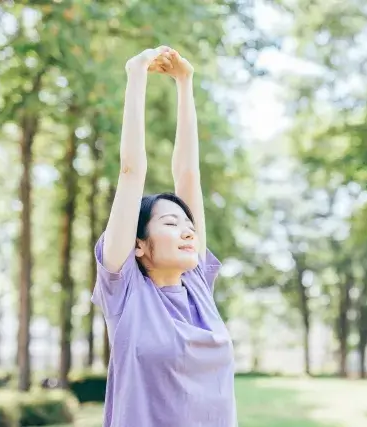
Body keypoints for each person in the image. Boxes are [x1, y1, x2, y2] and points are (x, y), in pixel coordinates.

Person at [91, 46, 237, 427]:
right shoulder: (125, 294)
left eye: (188, 224)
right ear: (138, 244)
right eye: (171, 224)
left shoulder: (198, 284)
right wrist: (136, 73)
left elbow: (188, 175)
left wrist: (185, 83)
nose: (188, 230)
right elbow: (130, 171)